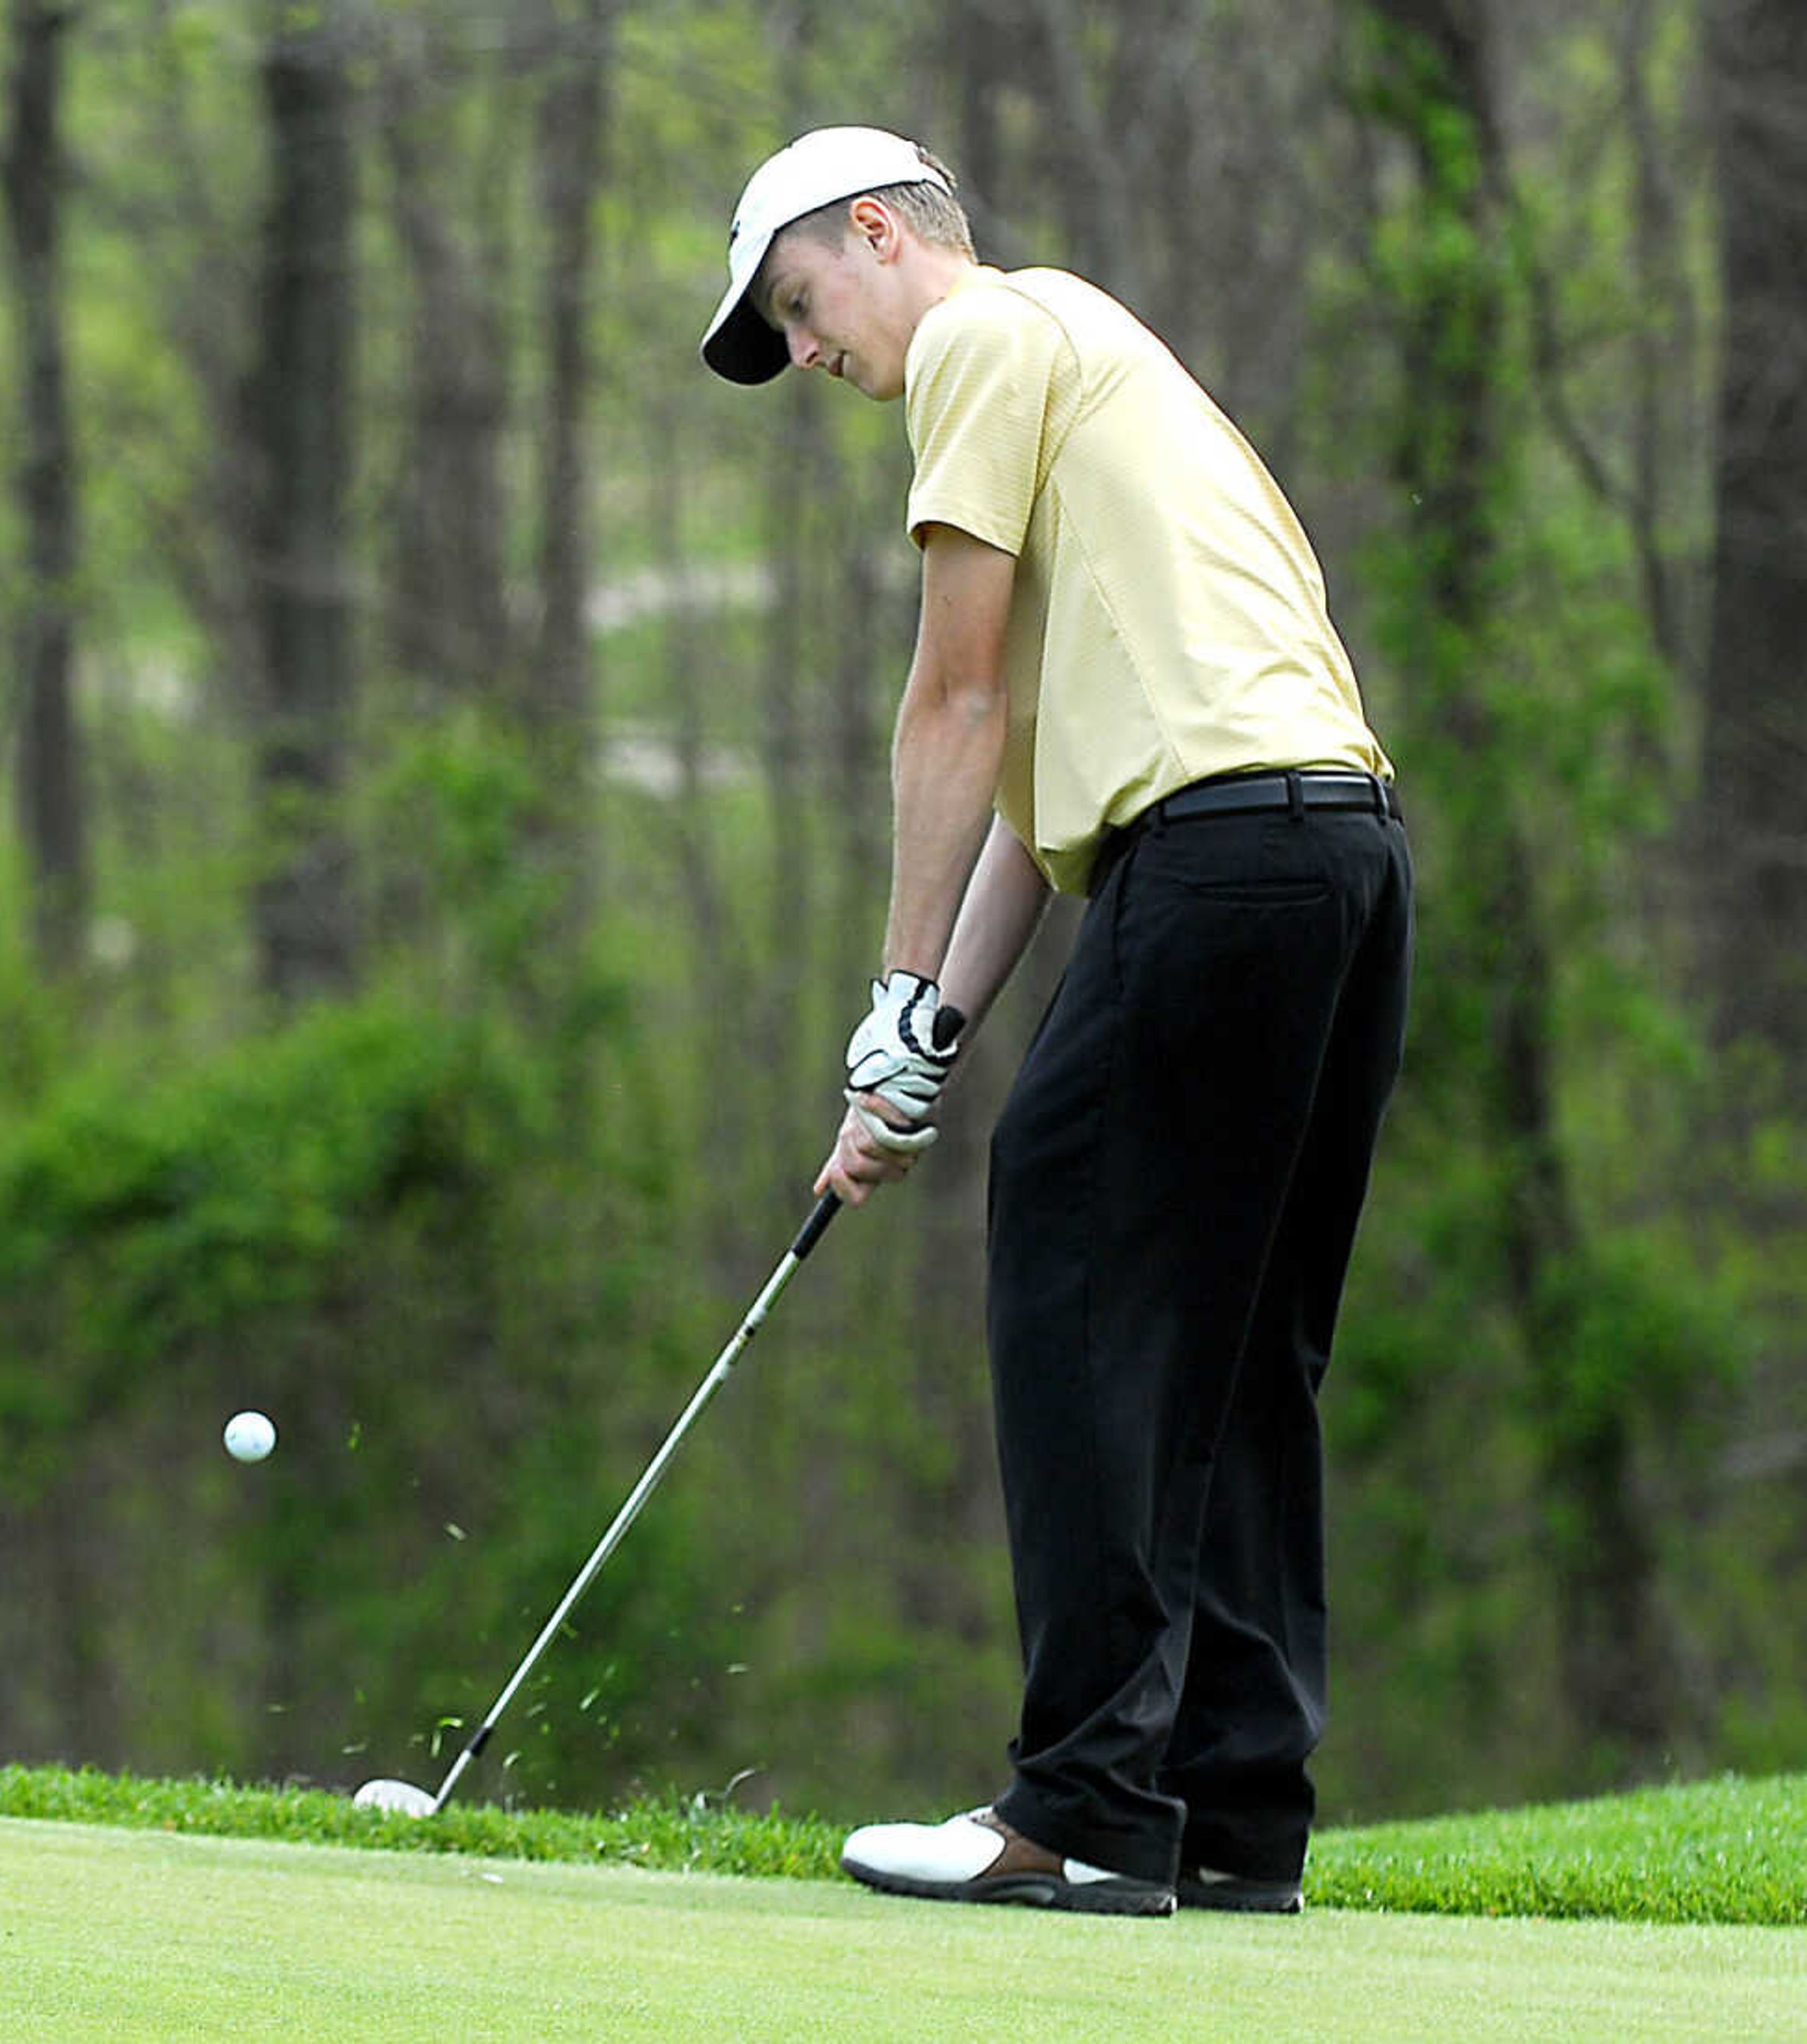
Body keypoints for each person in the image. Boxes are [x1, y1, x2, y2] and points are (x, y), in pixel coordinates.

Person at [700, 127, 1413, 1916]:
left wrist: (878, 987)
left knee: (1081, 1275)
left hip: (1226, 852)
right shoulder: (1097, 360)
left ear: (882, 232)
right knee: (1238, 1343)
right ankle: (1237, 1812)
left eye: (801, 303)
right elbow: (1037, 787)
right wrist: (927, 1036)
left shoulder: (982, 340)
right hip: (1339, 854)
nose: (808, 354)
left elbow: (947, 704)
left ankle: (1089, 1802)